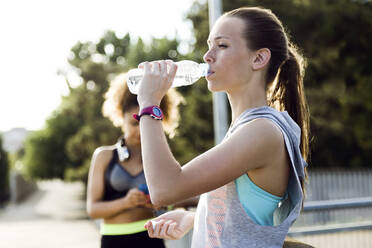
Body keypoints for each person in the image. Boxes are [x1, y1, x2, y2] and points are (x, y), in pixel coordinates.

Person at [136, 6, 310, 248]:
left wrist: (149, 105)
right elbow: (247, 217)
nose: (208, 56)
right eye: (209, 45)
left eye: (222, 45)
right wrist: (194, 218)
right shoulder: (248, 129)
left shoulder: (262, 131)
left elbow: (164, 189)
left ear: (258, 58)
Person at [86, 73, 183, 248]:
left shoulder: (161, 156)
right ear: (120, 116)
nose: (141, 130)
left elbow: (178, 199)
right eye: (134, 123)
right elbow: (93, 210)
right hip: (113, 240)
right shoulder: (103, 156)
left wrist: (162, 203)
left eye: (147, 121)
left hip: (151, 239)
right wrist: (126, 202)